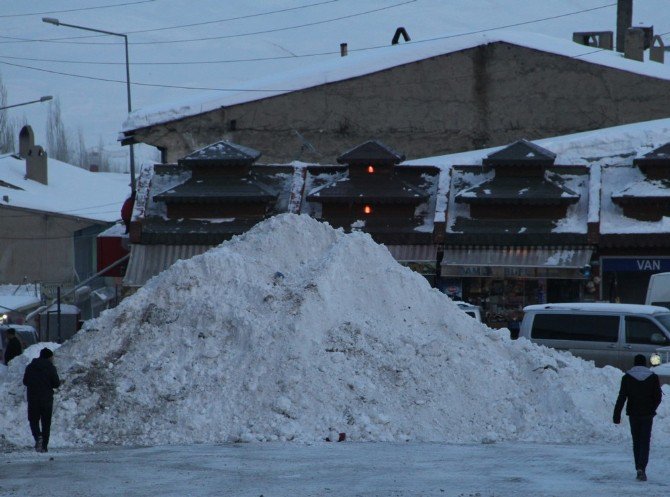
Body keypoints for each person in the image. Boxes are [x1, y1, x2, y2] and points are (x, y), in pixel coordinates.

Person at [613, 354, 663, 482]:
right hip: (647, 414)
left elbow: (622, 397)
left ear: (634, 363)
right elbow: (658, 396)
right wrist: (652, 408)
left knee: (636, 441)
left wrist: (616, 414)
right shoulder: (653, 377)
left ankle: (638, 468)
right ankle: (642, 468)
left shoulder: (627, 378)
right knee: (645, 441)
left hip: (633, 414)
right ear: (645, 363)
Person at [23, 347, 61, 453]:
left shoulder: (30, 367)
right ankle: (44, 447)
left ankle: (38, 436)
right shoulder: (51, 368)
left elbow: (25, 381)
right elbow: (56, 384)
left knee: (33, 420)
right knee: (46, 423)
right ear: (48, 357)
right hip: (47, 399)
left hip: (33, 399)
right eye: (51, 357)